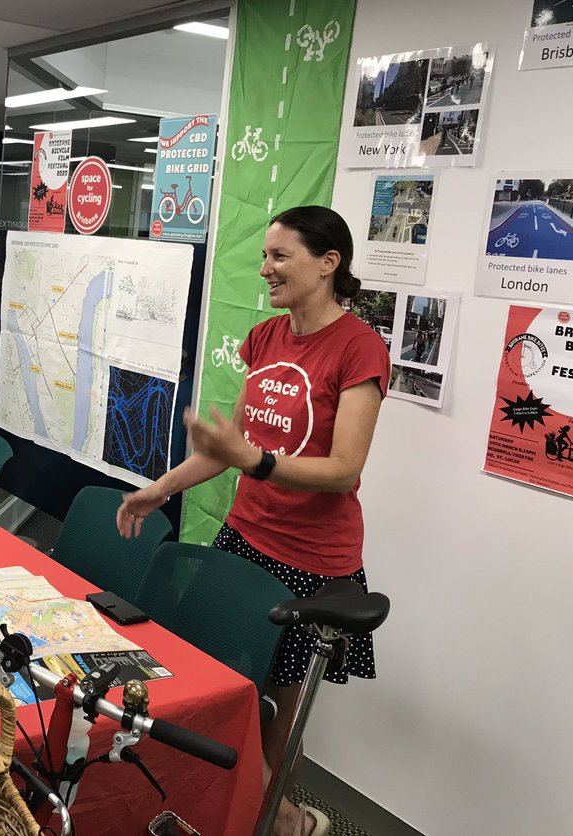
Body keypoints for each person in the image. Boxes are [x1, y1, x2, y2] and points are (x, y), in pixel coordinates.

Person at [118, 206, 389, 836]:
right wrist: (157, 490)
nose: (264, 268)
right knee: (218, 685)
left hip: (311, 562)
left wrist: (255, 461)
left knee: (276, 713)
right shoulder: (266, 339)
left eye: (279, 256)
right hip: (245, 536)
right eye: (264, 256)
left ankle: (283, 821)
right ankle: (245, 809)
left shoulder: (359, 348)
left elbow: (345, 469)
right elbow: (230, 445)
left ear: (329, 263)